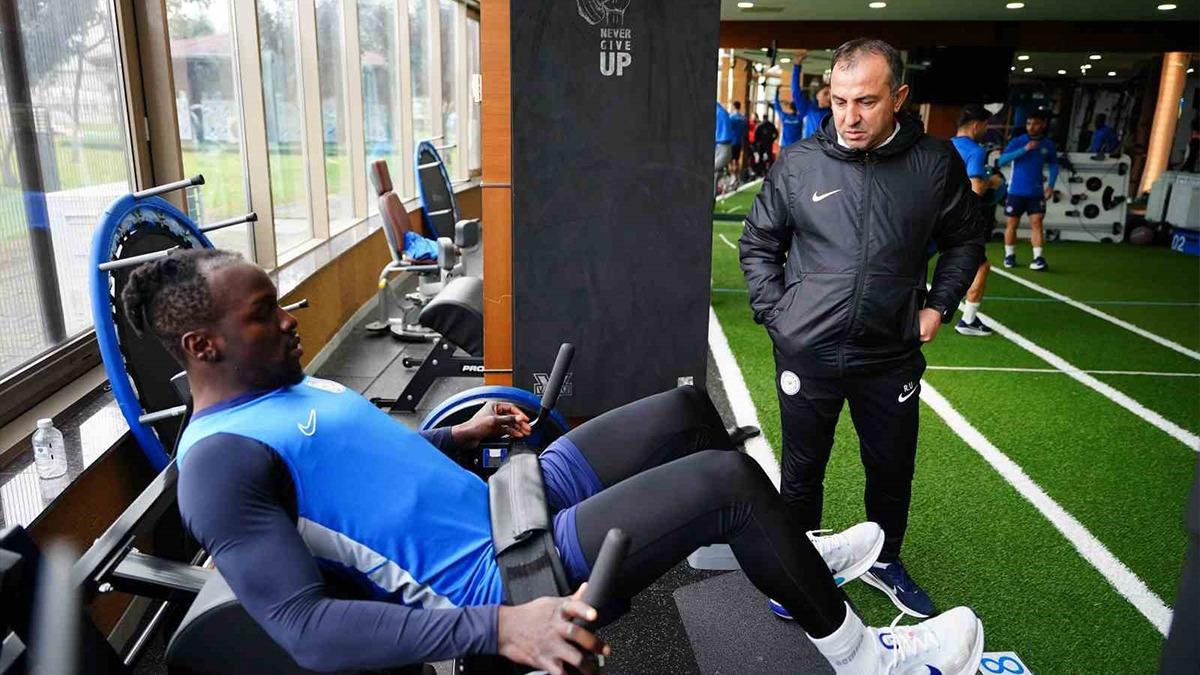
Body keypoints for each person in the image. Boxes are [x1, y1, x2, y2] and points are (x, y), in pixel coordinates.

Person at [123, 249, 985, 675]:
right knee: (724, 484)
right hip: (499, 574)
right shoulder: (219, 465)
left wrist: (454, 438)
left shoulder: (280, 384)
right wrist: (502, 629)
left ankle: (788, 565)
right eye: (265, 313)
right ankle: (868, 660)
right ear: (202, 345)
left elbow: (354, 478)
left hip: (503, 495)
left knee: (683, 410)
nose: (290, 317)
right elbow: (306, 629)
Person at [740, 38, 988, 621]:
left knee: (892, 467)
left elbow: (965, 241)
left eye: (867, 102)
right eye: (839, 101)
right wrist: (780, 316)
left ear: (898, 98)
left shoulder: (935, 164)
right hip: (808, 353)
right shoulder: (800, 163)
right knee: (803, 470)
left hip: (890, 354)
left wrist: (938, 306)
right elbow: (759, 243)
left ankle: (885, 560)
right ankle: (802, 569)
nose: (849, 117)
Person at [950, 104, 1004, 337]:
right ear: (975, 125)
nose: (986, 129)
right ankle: (968, 320)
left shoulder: (944, 145)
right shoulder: (976, 151)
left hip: (934, 216)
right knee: (981, 265)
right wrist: (991, 182)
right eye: (985, 125)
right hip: (962, 220)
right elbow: (976, 189)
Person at [998, 109, 1057, 271]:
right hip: (1016, 191)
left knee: (1037, 223)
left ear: (1043, 125)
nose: (1031, 127)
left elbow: (1054, 164)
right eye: (1029, 123)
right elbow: (1001, 161)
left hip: (1036, 192)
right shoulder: (1018, 141)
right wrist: (1024, 149)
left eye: (1036, 123)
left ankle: (1038, 258)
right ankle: (1009, 255)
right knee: (1012, 224)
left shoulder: (1048, 144)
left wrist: (1051, 185)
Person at [792, 56, 832, 140]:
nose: (829, 97)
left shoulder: (835, 112)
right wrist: (797, 66)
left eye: (831, 94)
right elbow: (796, 91)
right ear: (817, 95)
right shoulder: (808, 109)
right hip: (810, 147)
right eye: (825, 93)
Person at [773, 69, 804, 148]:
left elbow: (776, 105)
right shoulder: (800, 118)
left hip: (785, 146)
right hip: (796, 147)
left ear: (790, 107)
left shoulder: (784, 117)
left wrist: (776, 92)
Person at [715, 101, 736, 194]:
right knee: (715, 173)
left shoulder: (718, 112)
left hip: (723, 147)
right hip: (724, 147)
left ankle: (730, 180)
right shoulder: (723, 112)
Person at [753, 111, 779, 176]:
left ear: (763, 118)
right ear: (767, 118)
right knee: (769, 157)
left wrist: (758, 142)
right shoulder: (771, 125)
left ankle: (761, 171)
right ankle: (770, 171)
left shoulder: (759, 125)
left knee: (761, 157)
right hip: (768, 143)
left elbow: (756, 135)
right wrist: (772, 139)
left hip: (761, 144)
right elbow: (776, 133)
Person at [730, 101, 749, 176]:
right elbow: (745, 131)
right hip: (739, 141)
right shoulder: (743, 118)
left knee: (730, 160)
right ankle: (736, 176)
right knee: (737, 160)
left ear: (734, 107)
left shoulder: (731, 117)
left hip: (732, 141)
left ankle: (732, 175)